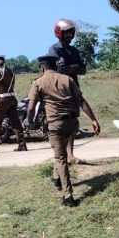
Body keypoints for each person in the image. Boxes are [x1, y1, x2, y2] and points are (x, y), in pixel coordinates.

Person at [27, 55, 100, 206]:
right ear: (55, 66)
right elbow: (81, 100)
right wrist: (93, 119)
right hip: (72, 123)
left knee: (61, 158)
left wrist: (31, 121)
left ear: (42, 68)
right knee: (60, 151)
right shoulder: (68, 79)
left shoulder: (38, 82)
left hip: (55, 124)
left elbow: (31, 107)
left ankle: (68, 196)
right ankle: (56, 177)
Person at [49, 19, 85, 162]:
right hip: (59, 90)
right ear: (59, 33)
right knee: (61, 122)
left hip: (73, 88)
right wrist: (73, 67)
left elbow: (83, 70)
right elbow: (58, 69)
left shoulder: (74, 51)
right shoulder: (54, 49)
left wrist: (72, 68)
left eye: (71, 32)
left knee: (73, 121)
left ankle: (70, 154)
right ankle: (61, 154)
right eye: (67, 32)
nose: (70, 35)